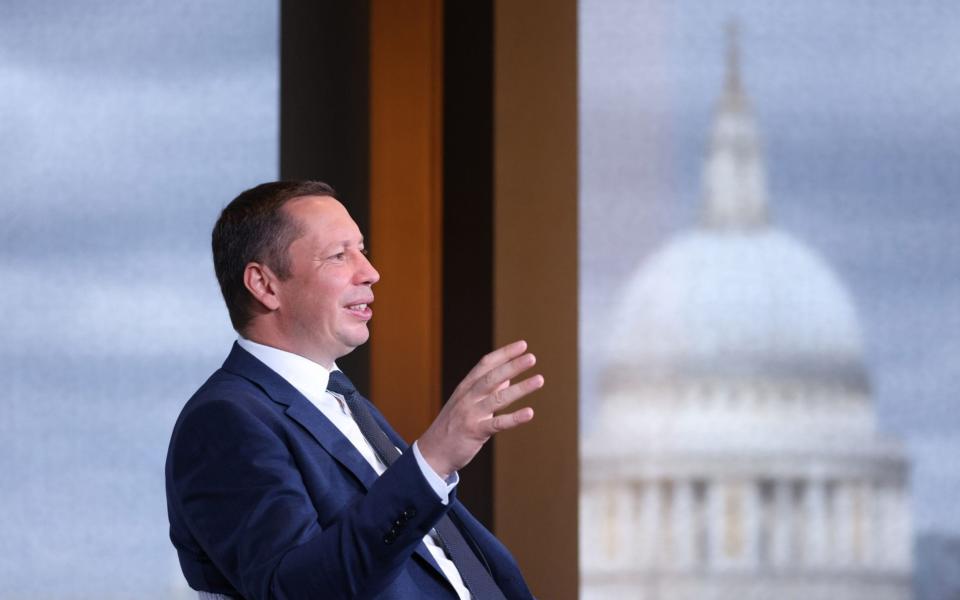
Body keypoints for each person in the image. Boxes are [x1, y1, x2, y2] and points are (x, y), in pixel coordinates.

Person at [165, 181, 544, 600]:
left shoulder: (344, 400)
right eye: (339, 256)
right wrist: (432, 460)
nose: (370, 272)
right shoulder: (223, 421)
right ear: (265, 285)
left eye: (362, 250)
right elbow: (297, 591)